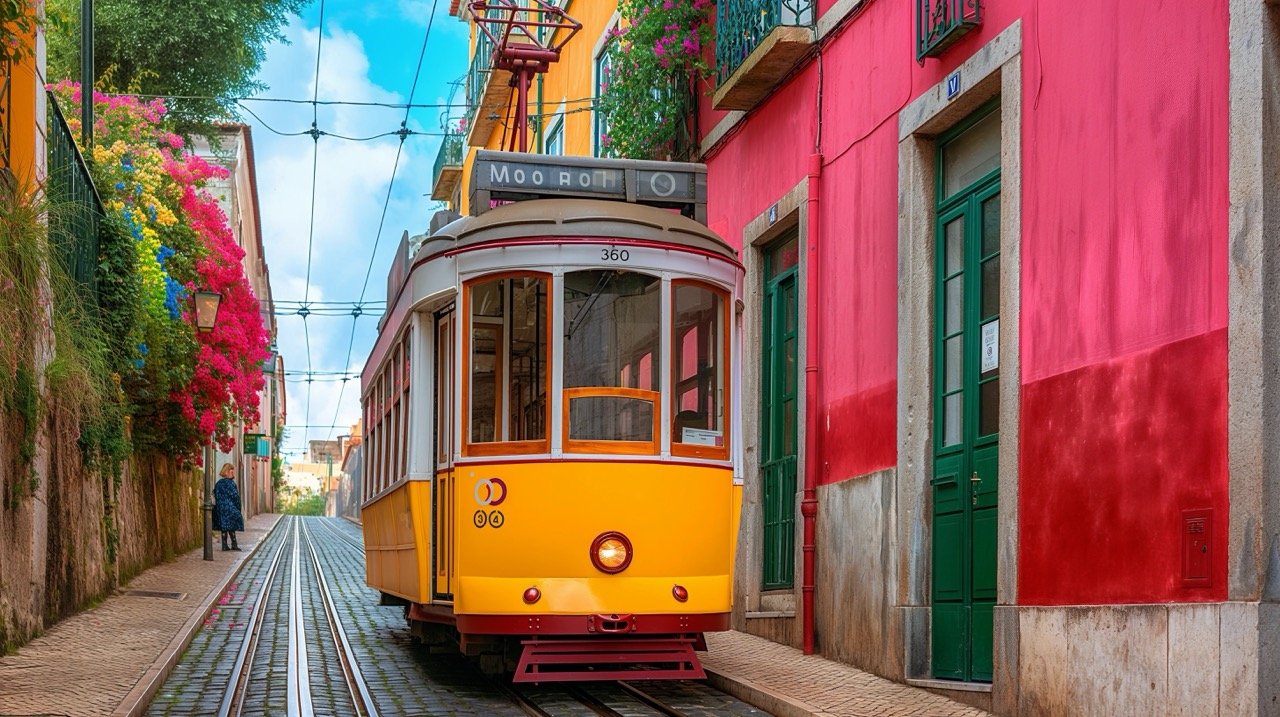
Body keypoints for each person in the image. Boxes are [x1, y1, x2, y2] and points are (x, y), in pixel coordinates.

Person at [213, 463, 245, 551]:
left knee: (224, 526)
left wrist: (219, 506)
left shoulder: (218, 483)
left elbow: (216, 495)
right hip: (230, 507)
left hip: (221, 508)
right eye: (232, 472)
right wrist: (238, 508)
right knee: (231, 526)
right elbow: (235, 496)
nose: (233, 473)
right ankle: (234, 544)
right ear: (227, 472)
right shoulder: (231, 484)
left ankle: (224, 545)